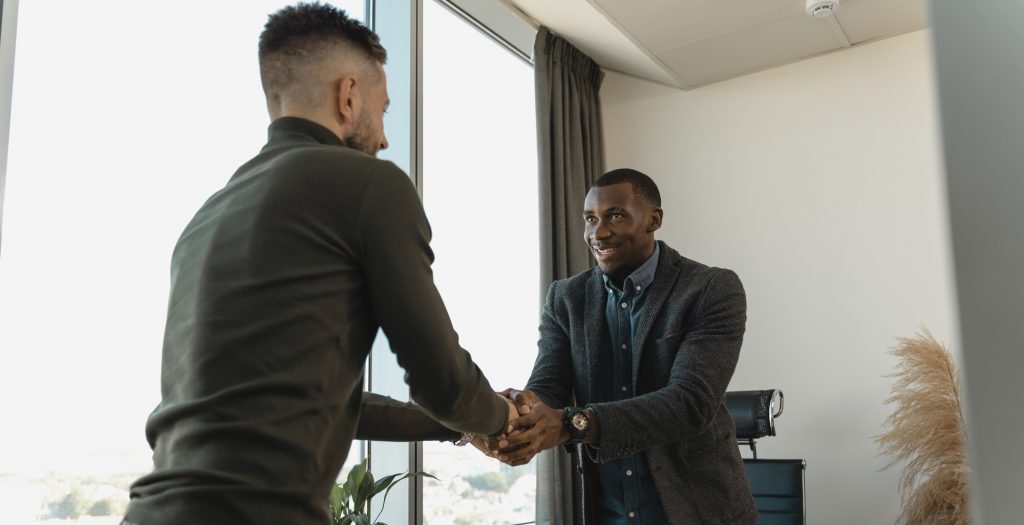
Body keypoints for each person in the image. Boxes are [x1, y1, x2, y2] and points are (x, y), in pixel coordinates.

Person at [124, 4, 514, 524]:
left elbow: (320, 402)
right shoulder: (369, 184)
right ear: (349, 96)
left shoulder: (208, 215)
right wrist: (504, 416)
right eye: (383, 109)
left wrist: (458, 426)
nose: (384, 138)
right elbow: (440, 377)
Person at [493, 169, 757, 524]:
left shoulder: (711, 289)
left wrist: (577, 423)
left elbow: (691, 403)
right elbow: (548, 389)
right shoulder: (565, 298)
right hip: (607, 512)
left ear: (654, 219)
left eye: (615, 216)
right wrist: (515, 415)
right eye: (590, 219)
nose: (598, 233)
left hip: (699, 511)